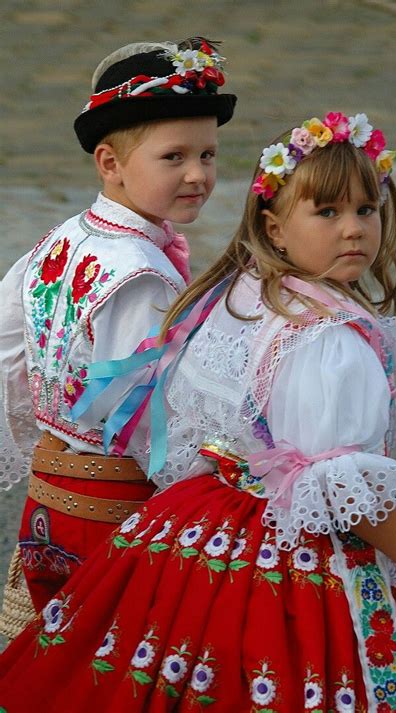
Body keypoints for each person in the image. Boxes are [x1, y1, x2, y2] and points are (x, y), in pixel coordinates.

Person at [0, 111, 396, 712]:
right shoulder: (312, 328)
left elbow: (13, 354)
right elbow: (328, 476)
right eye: (328, 213)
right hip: (130, 501)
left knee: (122, 667)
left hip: (134, 506)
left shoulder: (233, 286)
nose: (352, 229)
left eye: (365, 210)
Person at [0, 36, 237, 613]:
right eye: (173, 157)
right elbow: (142, 417)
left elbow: (8, 352)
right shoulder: (140, 275)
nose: (197, 175)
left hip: (51, 500)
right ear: (110, 163)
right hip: (114, 509)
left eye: (206, 155)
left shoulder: (62, 239)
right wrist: (224, 472)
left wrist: (45, 432)